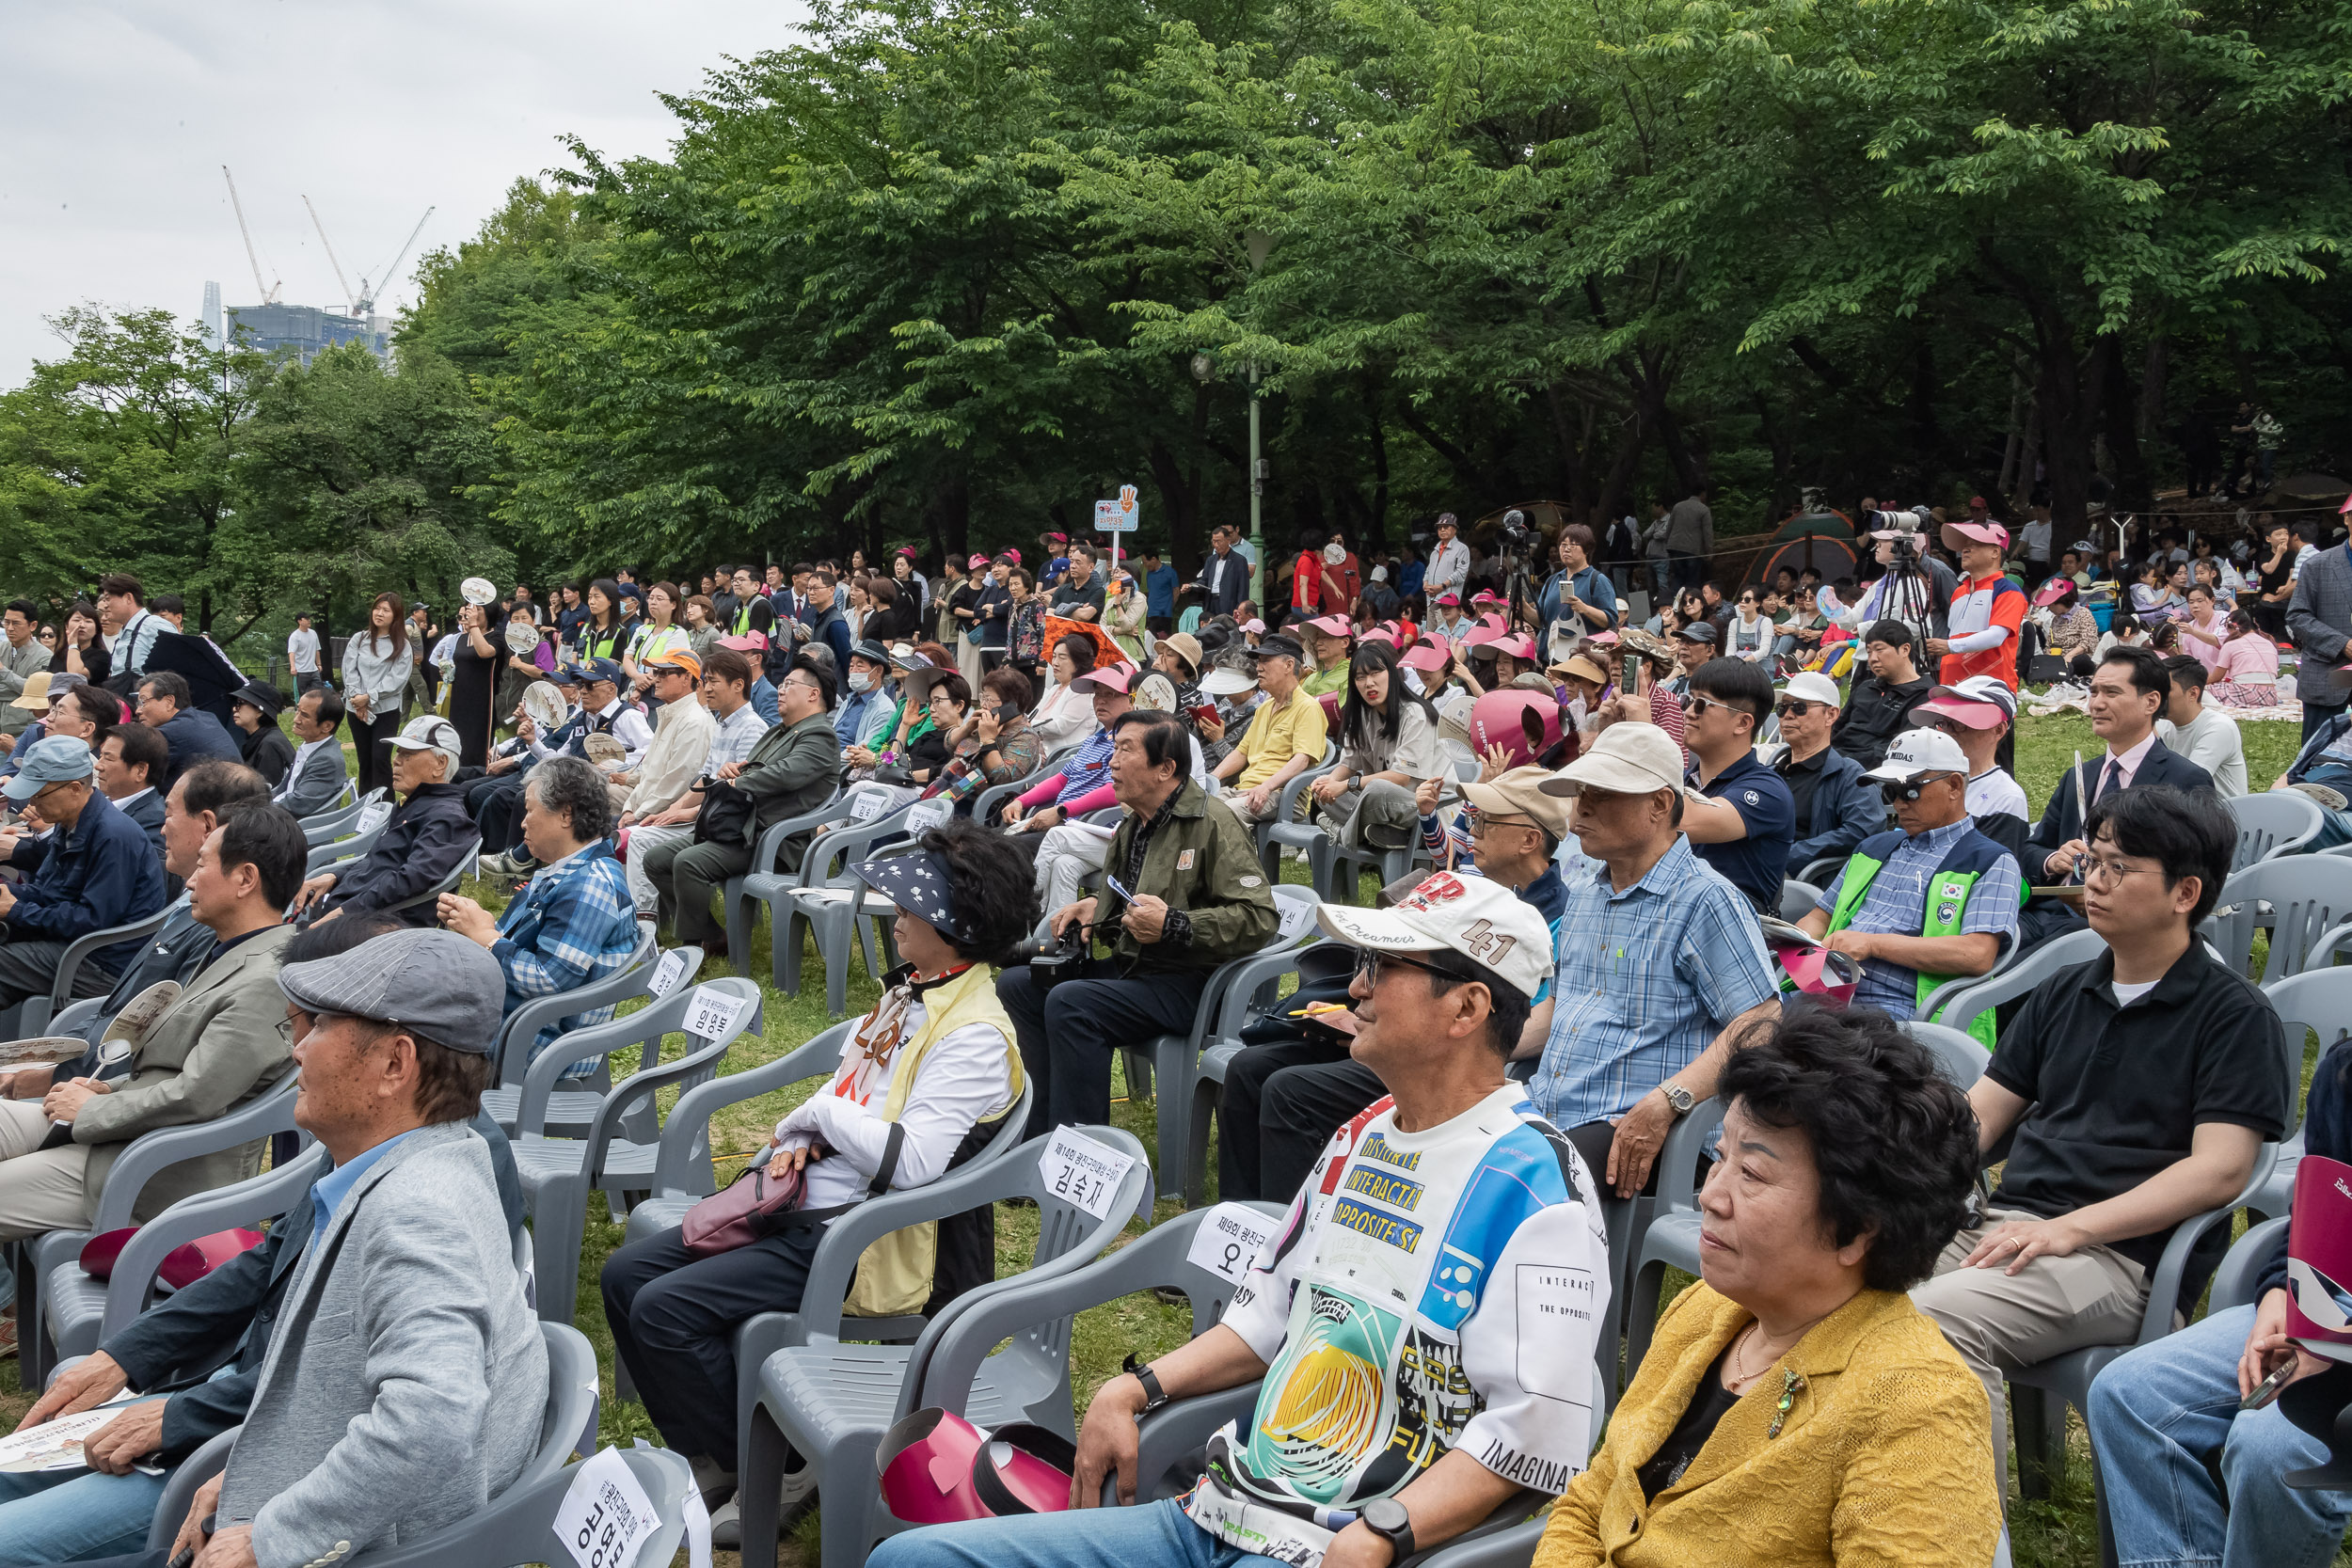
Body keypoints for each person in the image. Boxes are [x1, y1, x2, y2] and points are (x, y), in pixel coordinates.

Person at [882, 874, 1605, 1568]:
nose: (1356, 986)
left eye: (1382, 967)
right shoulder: (1365, 1132)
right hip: (1218, 1511)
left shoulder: (1541, 1183)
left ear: (1467, 1008)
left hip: (1338, 1545)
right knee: (908, 1558)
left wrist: (1386, 1531)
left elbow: (1537, 1430)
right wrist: (1134, 1388)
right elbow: (1267, 1314)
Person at [0, 915, 531, 1565]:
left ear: (395, 1063)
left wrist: (275, 1530)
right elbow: (285, 1281)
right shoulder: (417, 1154)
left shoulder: (416, 1207)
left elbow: (435, 1418)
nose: (298, 1050)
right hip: (268, 1457)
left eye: (323, 1026)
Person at [605, 820, 1033, 1541]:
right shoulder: (917, 991)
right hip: (814, 1201)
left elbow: (916, 1160)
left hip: (861, 1237)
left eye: (911, 906)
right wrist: (803, 1137)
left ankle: (783, 1464)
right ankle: (717, 1453)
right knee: (625, 1277)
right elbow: (853, 1088)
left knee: (664, 1312)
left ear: (957, 925)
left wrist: (819, 1116)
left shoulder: (976, 1033)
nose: (895, 914)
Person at [1913, 784, 2294, 1498]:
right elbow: (1980, 1116)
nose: (2092, 879)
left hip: (2122, 1261)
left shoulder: (2234, 1017)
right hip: (2008, 1227)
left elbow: (2219, 1171)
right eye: (2092, 858)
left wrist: (2068, 1229)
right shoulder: (2065, 991)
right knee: (1836, 1279)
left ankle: (1964, 1541)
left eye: (2119, 866)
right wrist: (1886, 1174)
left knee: (1936, 1319)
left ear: (2186, 891)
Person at [1538, 1008, 1996, 1568]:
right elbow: (1594, 1501)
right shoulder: (1704, 1313)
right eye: (1722, 1156)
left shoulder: (1917, 1409)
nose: (1710, 1195)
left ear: (1856, 1229)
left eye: (1751, 1175)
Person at [1222, 765, 1569, 1203]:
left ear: (1529, 840)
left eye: (1487, 821)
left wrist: (1393, 1023)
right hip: (1412, 1027)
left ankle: (1290, 1234)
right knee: (1249, 1068)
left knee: (1290, 1092)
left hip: (1447, 1052)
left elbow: (1523, 1024)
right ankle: (1240, 1224)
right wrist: (1368, 1017)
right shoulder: (1469, 880)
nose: (1473, 830)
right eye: (1474, 817)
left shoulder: (1554, 921)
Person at [2090, 1035, 2352, 1568]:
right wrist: (2282, 1293)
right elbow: (2323, 1213)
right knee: (2130, 1393)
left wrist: (2334, 1346)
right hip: (2332, 1303)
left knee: (2271, 1448)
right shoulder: (2346, 1072)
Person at [0, 803, 305, 1239]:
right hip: (120, 1130)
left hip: (150, 1170)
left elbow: (196, 1096)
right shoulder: (227, 950)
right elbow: (169, 1070)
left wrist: (95, 1107)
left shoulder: (264, 981)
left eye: (203, 864)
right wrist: (106, 1087)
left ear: (245, 879)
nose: (191, 879)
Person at [1530, 723, 1781, 1198]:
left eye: (1602, 793)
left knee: (1518, 1183)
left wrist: (1669, 1101)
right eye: (1581, 790)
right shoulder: (1585, 895)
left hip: (1634, 1124)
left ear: (1660, 804)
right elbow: (1558, 1008)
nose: (1581, 806)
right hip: (1553, 1108)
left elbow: (1762, 1020)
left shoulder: (1705, 899)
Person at [999, 711, 1275, 1135]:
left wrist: (1176, 925)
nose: (1112, 761)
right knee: (1018, 984)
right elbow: (1130, 902)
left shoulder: (1212, 823)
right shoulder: (1134, 825)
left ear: (1166, 768)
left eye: (1126, 750)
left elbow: (1259, 919)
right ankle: (1035, 1136)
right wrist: (1095, 908)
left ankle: (1082, 1152)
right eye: (1114, 749)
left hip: (1192, 982)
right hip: (1138, 969)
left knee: (1072, 1003)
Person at [1796, 728, 2019, 1033]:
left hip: (1904, 1012)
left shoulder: (1990, 860)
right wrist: (1798, 942)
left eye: (1910, 790)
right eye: (1890, 791)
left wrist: (1872, 945)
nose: (1899, 804)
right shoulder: (1874, 847)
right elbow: (1819, 917)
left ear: (1954, 786)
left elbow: (1976, 954)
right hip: (1824, 992)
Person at [437, 755, 641, 1075]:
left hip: (539, 1044)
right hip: (520, 1021)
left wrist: (487, 938)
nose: (522, 822)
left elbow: (547, 980)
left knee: (408, 1027)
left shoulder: (590, 884)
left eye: (530, 810)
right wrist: (478, 926)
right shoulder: (571, 871)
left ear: (565, 814)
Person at [643, 655, 841, 957]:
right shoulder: (781, 731)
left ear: (813, 695)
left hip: (774, 838)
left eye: (789, 684)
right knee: (656, 859)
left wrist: (735, 782)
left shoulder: (820, 735)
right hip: (742, 827)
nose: (780, 690)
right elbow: (752, 769)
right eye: (782, 683)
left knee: (688, 862)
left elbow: (785, 774)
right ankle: (711, 934)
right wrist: (731, 772)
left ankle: (692, 949)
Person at [2019, 645, 2216, 949]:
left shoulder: (2184, 780)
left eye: (2111, 693)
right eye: (2094, 692)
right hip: (2045, 914)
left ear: (2151, 701)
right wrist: (2053, 860)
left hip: (2118, 931)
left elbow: (2195, 873)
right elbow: (2033, 847)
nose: (2096, 703)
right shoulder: (2080, 775)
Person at [0, 736, 168, 1012]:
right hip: (78, 944)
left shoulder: (113, 835)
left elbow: (93, 920)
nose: (32, 802)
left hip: (102, 962)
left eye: (39, 794)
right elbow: (48, 891)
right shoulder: (71, 821)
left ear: (75, 788)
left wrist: (16, 911)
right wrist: (9, 895)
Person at [293, 715, 478, 928]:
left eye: (408, 754)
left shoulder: (448, 817)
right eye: (398, 752)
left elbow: (411, 880)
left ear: (440, 763)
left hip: (375, 930)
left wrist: (345, 913)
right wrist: (335, 875)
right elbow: (380, 861)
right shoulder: (416, 804)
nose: (396, 760)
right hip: (348, 915)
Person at [1649, 657, 1792, 913]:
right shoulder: (1682, 781)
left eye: (1702, 703)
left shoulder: (1768, 790)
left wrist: (1640, 733)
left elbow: (1671, 821)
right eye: (1688, 700)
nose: (1689, 711)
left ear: (1742, 723)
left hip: (1729, 932)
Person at [1310, 641, 1446, 855]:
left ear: (1391, 674)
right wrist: (1330, 783)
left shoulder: (1415, 714)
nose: (1369, 683)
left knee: (1375, 788)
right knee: (1323, 789)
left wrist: (1345, 785)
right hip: (1386, 806)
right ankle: (1375, 832)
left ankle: (1343, 833)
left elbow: (1401, 778)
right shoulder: (1363, 715)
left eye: (1376, 673)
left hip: (1425, 805)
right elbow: (1348, 763)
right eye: (1360, 677)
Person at [1213, 635, 1331, 826]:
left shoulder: (1307, 707)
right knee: (1199, 806)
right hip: (1246, 789)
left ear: (1288, 665)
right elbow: (1241, 752)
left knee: (1226, 812)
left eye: (1266, 661)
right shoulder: (1264, 708)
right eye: (1259, 661)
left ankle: (1242, 855)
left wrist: (1265, 787)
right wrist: (1211, 779)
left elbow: (1301, 760)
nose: (1259, 667)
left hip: (1281, 794)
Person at [1908, 675, 2029, 859]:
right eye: (1944, 723)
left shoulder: (2005, 797)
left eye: (1960, 724)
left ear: (1998, 730)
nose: (1949, 733)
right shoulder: (1928, 777)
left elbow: (1987, 866)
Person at [1773, 671, 1881, 876]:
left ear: (1830, 715)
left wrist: (1789, 855)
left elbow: (1862, 829)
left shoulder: (1848, 774)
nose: (1787, 715)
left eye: (1799, 707)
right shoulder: (1771, 772)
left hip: (1800, 883)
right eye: (1782, 708)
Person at [609, 648, 715, 819]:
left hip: (661, 819)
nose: (656, 678)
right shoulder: (670, 715)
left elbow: (676, 786)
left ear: (687, 678)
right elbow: (649, 777)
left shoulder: (693, 721)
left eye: (664, 673)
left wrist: (636, 815)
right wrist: (629, 809)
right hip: (644, 810)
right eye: (656, 672)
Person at [1925, 515, 2026, 689]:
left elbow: (1996, 636)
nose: (1965, 549)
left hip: (1989, 686)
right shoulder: (1959, 591)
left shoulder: (2008, 590)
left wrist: (1949, 646)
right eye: (1965, 545)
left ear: (1995, 552)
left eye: (1975, 544)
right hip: (1951, 682)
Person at [1831, 620, 1933, 769]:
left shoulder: (1924, 697)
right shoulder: (1865, 688)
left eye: (1879, 650)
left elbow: (1900, 750)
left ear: (1905, 650)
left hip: (1871, 772)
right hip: (1834, 760)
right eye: (1869, 652)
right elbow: (1836, 728)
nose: (1872, 658)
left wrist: (1840, 762)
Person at [342, 591, 411, 798]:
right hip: (355, 708)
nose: (379, 613)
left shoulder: (402, 645)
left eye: (386, 610)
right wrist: (358, 700)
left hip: (385, 711)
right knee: (364, 759)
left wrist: (369, 698)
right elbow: (349, 669)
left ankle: (385, 806)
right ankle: (363, 804)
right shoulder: (359, 638)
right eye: (377, 608)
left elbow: (397, 679)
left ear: (396, 615)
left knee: (380, 758)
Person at [2288, 523, 2352, 745]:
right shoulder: (2317, 565)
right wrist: (2342, 644)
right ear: (2346, 519)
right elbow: (2297, 616)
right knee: (2316, 756)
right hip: (2326, 671)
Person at [2155, 652, 2248, 798]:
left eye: (2165, 689)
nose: (2156, 695)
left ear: (2193, 693)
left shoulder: (2219, 727)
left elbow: (2187, 784)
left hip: (2220, 815)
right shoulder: (2162, 725)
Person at [135, 671, 241, 789]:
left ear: (169, 702)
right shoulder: (207, 717)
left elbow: (132, 773)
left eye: (143, 702)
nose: (138, 711)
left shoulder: (170, 733)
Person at [95, 723, 169, 864]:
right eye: (100, 756)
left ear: (140, 771)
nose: (98, 765)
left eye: (108, 758)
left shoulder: (153, 820)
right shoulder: (98, 804)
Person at [272, 686, 349, 818]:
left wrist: (255, 809)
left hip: (296, 830)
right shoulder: (312, 748)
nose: (296, 719)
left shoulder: (326, 760)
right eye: (298, 710)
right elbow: (283, 790)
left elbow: (297, 804)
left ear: (326, 726)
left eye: (305, 715)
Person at [96, 573, 166, 691]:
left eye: (108, 598)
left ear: (128, 598)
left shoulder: (154, 626)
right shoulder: (124, 632)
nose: (105, 605)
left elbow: (174, 673)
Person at [0, 599, 50, 750]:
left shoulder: (44, 656)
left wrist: (3, 671)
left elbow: (35, 692)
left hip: (21, 731)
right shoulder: (2, 648)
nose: (9, 628)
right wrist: (15, 688)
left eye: (16, 623)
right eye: (6, 622)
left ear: (32, 625)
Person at [227, 680, 294, 787]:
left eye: (240, 703)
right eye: (235, 703)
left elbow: (267, 794)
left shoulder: (270, 745)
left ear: (259, 711)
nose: (234, 708)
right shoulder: (258, 738)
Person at [1194, 523, 1252, 620]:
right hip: (1211, 601)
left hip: (1228, 603)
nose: (1216, 545)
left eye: (1219, 541)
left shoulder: (1239, 560)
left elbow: (1243, 588)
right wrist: (1192, 586)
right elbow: (1205, 580)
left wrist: (1239, 609)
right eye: (1214, 541)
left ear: (1228, 540)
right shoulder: (1210, 560)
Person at [1663, 487, 1714, 594]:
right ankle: (1690, 602)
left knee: (1677, 577)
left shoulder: (1678, 506)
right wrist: (1709, 551)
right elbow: (1707, 532)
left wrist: (1667, 543)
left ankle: (1674, 603)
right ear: (1703, 494)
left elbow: (1669, 527)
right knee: (1692, 580)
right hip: (1693, 550)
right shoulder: (1703, 509)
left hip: (1675, 547)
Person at [54, 599, 111, 692]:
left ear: (97, 629)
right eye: (77, 620)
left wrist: (73, 645)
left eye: (88, 621)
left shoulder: (102, 656)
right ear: (66, 626)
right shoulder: (58, 656)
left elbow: (75, 677)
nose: (82, 625)